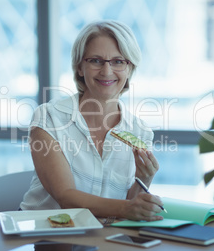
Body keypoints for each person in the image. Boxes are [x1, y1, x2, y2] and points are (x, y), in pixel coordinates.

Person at [19, 20, 164, 221]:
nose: (106, 71)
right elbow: (66, 197)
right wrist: (125, 208)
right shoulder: (49, 118)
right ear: (79, 67)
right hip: (44, 236)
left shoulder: (140, 132)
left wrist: (145, 177)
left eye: (118, 61)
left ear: (129, 69)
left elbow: (131, 210)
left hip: (102, 239)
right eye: (96, 60)